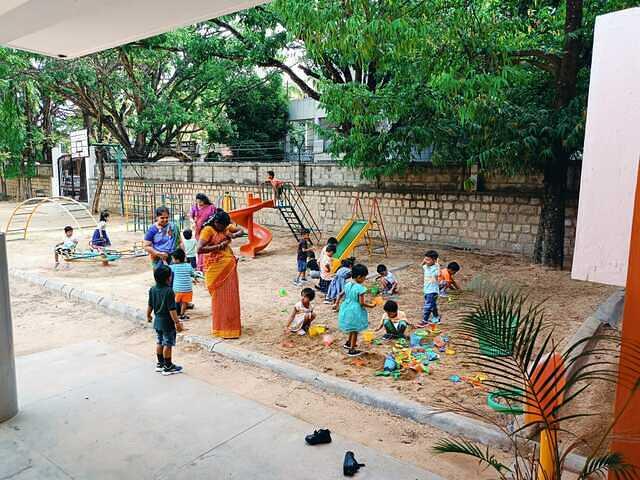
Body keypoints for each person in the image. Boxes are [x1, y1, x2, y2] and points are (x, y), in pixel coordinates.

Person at [197, 210, 245, 339]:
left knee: (231, 296)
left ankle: (231, 325)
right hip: (215, 267)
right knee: (218, 298)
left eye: (225, 226)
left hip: (228, 266)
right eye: (222, 227)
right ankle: (221, 327)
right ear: (216, 223)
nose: (224, 229)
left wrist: (234, 235)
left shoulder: (225, 226)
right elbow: (199, 249)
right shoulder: (208, 230)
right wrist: (218, 246)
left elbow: (240, 230)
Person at [146, 265, 184, 376]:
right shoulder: (169, 291)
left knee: (159, 341)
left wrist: (148, 315)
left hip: (157, 322)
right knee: (168, 343)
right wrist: (177, 323)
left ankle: (160, 363)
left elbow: (150, 305)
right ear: (168, 278)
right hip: (167, 323)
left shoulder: (152, 289)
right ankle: (168, 366)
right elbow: (172, 310)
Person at [336, 264, 375, 357]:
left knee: (351, 327)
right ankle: (352, 350)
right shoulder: (360, 288)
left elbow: (340, 294)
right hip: (355, 310)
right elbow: (361, 303)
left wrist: (337, 303)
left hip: (346, 307)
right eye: (364, 278)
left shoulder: (347, 284)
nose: (364, 280)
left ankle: (348, 343)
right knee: (355, 331)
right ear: (359, 277)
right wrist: (371, 305)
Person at [190, 193, 218, 271]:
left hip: (208, 230)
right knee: (200, 247)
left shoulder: (211, 207)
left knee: (207, 246)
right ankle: (201, 266)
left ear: (204, 200)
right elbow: (191, 217)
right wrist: (193, 222)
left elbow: (215, 217)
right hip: (198, 230)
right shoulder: (195, 208)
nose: (199, 203)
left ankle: (208, 265)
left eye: (200, 202)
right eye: (197, 201)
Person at [169, 248, 196, 320]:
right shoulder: (188, 266)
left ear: (177, 260)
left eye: (173, 259)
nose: (172, 261)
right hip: (187, 289)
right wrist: (194, 278)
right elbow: (193, 274)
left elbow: (167, 267)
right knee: (184, 303)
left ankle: (173, 315)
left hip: (177, 289)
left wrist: (163, 260)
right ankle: (182, 315)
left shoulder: (174, 267)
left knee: (175, 301)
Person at [419, 250, 441, 327]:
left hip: (432, 291)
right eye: (426, 259)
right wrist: (425, 260)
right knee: (432, 305)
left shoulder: (435, 268)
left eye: (428, 260)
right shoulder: (426, 267)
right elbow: (421, 265)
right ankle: (436, 317)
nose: (426, 261)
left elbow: (438, 274)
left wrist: (437, 263)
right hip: (427, 290)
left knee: (427, 306)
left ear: (434, 260)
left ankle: (425, 320)